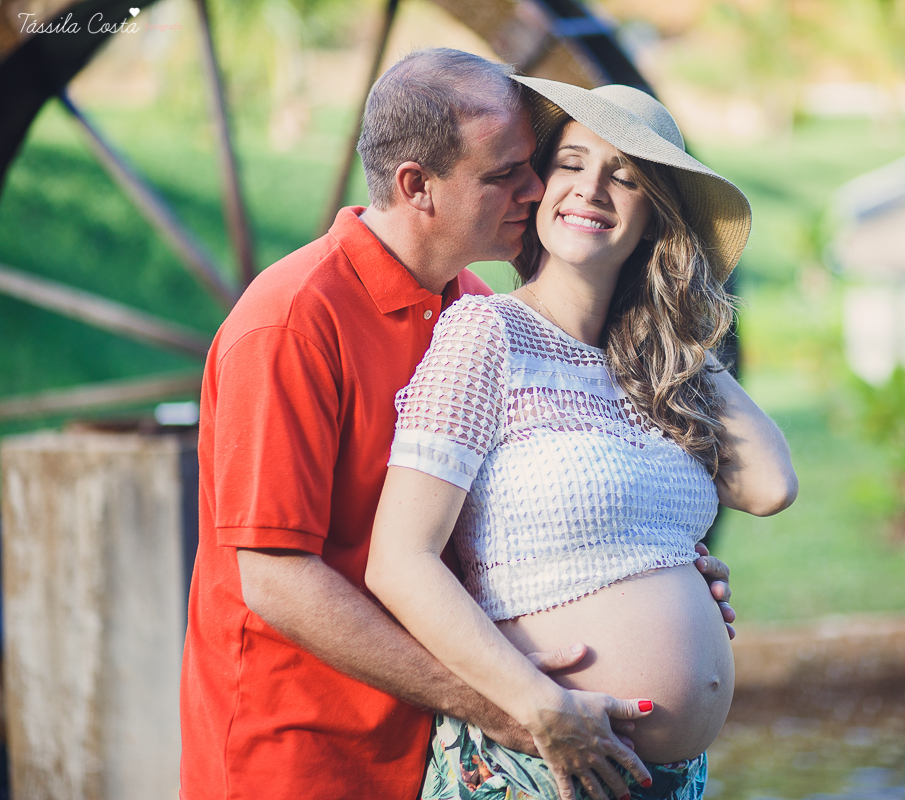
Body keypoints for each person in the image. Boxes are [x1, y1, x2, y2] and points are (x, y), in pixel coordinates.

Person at [179, 49, 738, 800]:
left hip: (422, 743)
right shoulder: (291, 322)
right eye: (506, 172)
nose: (537, 188)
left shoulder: (471, 306)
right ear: (417, 186)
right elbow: (276, 581)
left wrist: (649, 564)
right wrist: (507, 705)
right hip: (300, 753)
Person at [365, 76, 799, 800]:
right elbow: (398, 561)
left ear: (655, 218)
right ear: (538, 185)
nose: (592, 188)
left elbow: (771, 486)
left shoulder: (652, 371)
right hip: (538, 766)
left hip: (670, 780)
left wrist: (668, 326)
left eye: (625, 177)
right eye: (571, 163)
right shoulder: (486, 335)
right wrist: (541, 705)